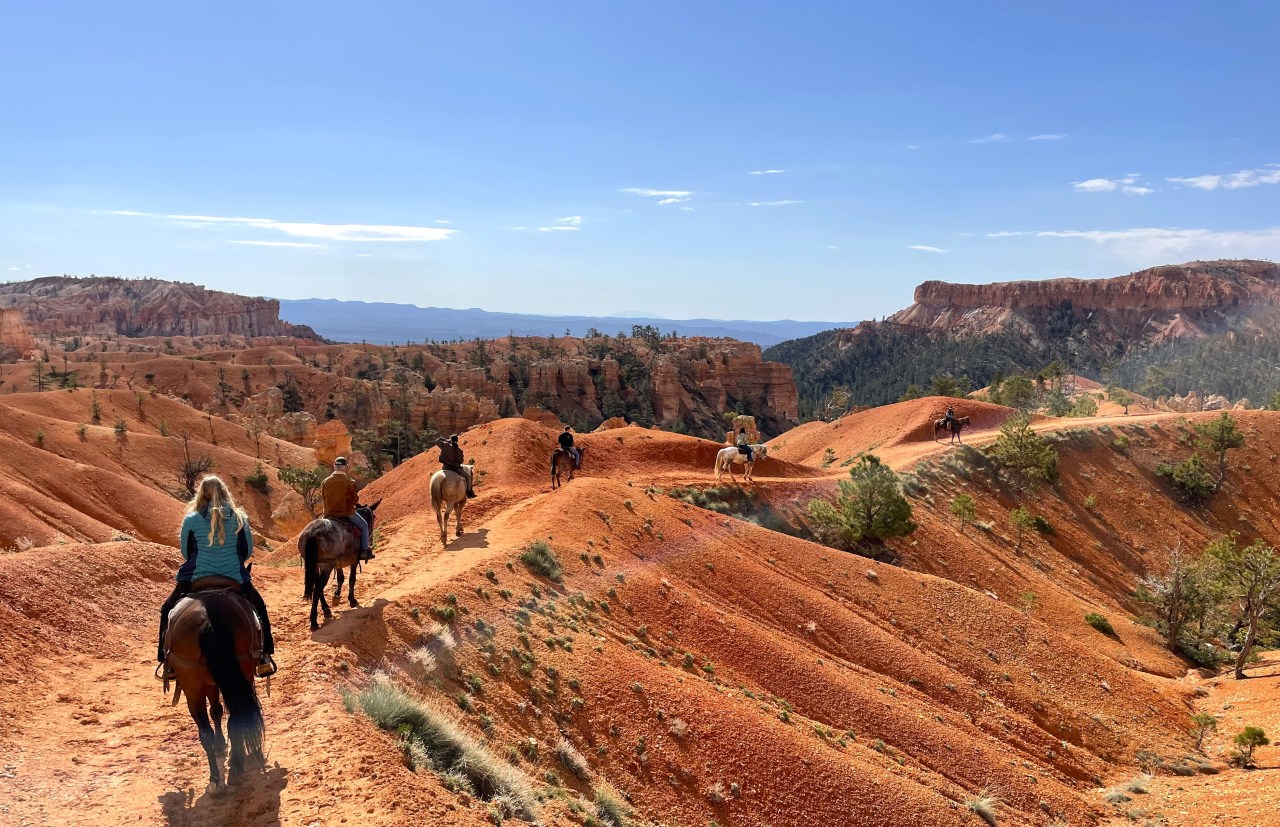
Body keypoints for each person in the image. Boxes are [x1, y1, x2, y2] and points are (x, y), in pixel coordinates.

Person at [158, 475, 275, 679]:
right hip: (234, 577)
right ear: (224, 492)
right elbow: (246, 551)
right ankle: (265, 656)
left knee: (167, 609)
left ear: (201, 493)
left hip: (197, 576)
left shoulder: (192, 519)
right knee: (260, 608)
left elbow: (185, 552)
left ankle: (165, 660)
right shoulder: (239, 517)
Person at [322, 457, 373, 560]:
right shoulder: (350, 481)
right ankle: (364, 550)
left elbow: (324, 498)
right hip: (346, 513)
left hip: (328, 513)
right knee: (364, 525)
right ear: (345, 468)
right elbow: (355, 500)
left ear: (334, 467)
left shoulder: (325, 481)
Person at [436, 434, 476, 498]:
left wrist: (444, 440)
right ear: (457, 441)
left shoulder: (445, 445)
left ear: (451, 440)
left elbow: (437, 441)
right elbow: (461, 461)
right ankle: (469, 492)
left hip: (445, 467)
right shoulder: (460, 451)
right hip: (455, 469)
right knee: (468, 476)